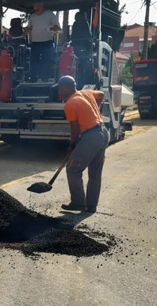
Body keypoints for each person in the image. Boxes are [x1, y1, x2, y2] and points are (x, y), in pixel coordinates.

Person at [54, 75, 109, 212]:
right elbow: (101, 94)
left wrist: (72, 146)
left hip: (91, 137)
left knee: (73, 169)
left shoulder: (70, 104)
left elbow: (75, 129)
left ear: (66, 87)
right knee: (95, 173)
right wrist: (95, 109)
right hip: (103, 133)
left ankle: (78, 202)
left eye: (60, 88)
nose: (59, 91)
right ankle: (91, 205)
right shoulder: (86, 93)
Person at [24, 2, 60, 82]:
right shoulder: (32, 16)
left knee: (47, 60)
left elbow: (57, 27)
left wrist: (51, 28)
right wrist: (24, 33)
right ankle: (33, 78)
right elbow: (29, 27)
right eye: (34, 7)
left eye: (36, 7)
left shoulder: (50, 14)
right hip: (35, 42)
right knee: (33, 61)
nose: (35, 9)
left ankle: (45, 78)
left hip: (47, 42)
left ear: (41, 5)